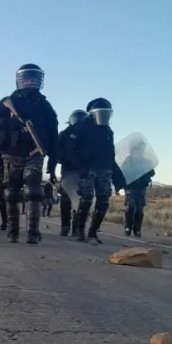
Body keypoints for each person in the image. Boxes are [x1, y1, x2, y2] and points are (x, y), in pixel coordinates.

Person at [0, 64, 59, 244]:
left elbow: (53, 134)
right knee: (11, 192)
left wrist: (52, 163)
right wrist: (10, 122)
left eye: (34, 79)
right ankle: (13, 231)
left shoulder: (45, 105)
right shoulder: (7, 102)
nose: (30, 82)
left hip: (35, 152)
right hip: (11, 152)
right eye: (26, 79)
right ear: (19, 81)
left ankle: (33, 232)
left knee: (34, 190)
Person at [68, 98, 126, 243]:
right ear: (92, 113)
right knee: (86, 199)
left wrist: (118, 178)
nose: (104, 116)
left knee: (103, 201)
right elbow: (71, 150)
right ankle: (79, 231)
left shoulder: (108, 132)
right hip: (87, 168)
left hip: (105, 169)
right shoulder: (81, 128)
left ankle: (93, 233)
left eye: (107, 113)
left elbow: (111, 155)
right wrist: (79, 167)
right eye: (101, 113)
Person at [56, 110, 86, 236]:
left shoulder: (88, 135)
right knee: (66, 199)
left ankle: (76, 227)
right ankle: (65, 226)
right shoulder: (64, 134)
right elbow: (57, 150)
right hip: (68, 170)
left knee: (80, 199)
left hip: (82, 171)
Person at [119, 138, 156, 237]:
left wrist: (146, 171)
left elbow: (152, 173)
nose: (141, 152)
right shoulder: (128, 161)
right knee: (130, 207)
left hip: (141, 188)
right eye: (139, 150)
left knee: (140, 210)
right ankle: (128, 227)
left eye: (142, 150)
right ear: (133, 150)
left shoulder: (145, 162)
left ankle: (137, 230)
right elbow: (122, 173)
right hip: (130, 187)